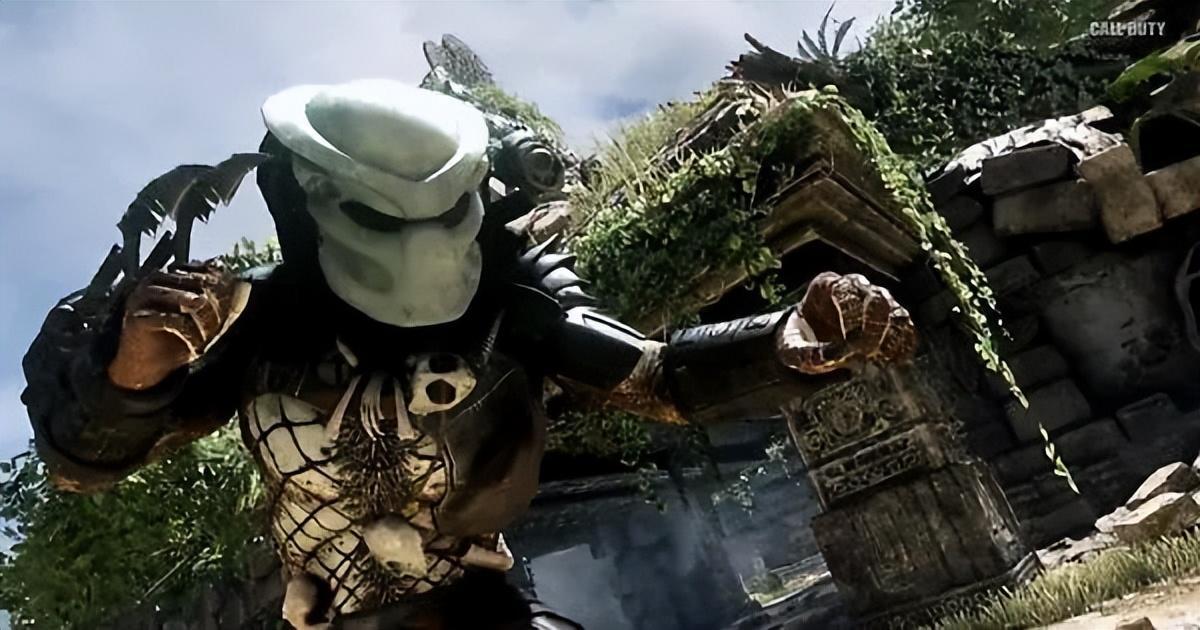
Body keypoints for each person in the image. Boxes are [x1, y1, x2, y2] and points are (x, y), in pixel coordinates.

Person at [21, 80, 917, 629]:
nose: (419, 249)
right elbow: (84, 468)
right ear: (307, 198)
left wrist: (784, 344)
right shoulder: (259, 317)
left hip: (476, 604)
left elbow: (653, 377)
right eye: (379, 216)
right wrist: (133, 376)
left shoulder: (511, 288)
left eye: (447, 211)